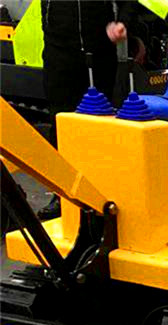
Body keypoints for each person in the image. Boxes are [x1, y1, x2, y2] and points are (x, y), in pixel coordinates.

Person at [39, 0, 137, 219]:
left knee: (99, 123)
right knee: (60, 123)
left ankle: (102, 191)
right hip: (58, 52)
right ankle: (62, 194)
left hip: (100, 51)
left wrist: (123, 22)